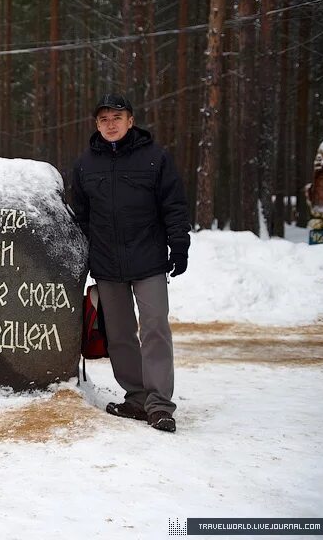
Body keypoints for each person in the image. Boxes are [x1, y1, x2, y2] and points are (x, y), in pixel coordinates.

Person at [70, 94, 190, 433]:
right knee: (120, 335)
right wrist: (85, 254)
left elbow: (175, 206)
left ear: (130, 121)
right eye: (104, 119)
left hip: (149, 259)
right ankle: (136, 398)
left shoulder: (155, 158)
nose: (110, 124)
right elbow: (81, 217)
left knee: (155, 329)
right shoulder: (85, 165)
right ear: (96, 124)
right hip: (107, 264)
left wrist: (179, 246)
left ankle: (160, 405)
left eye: (117, 117)